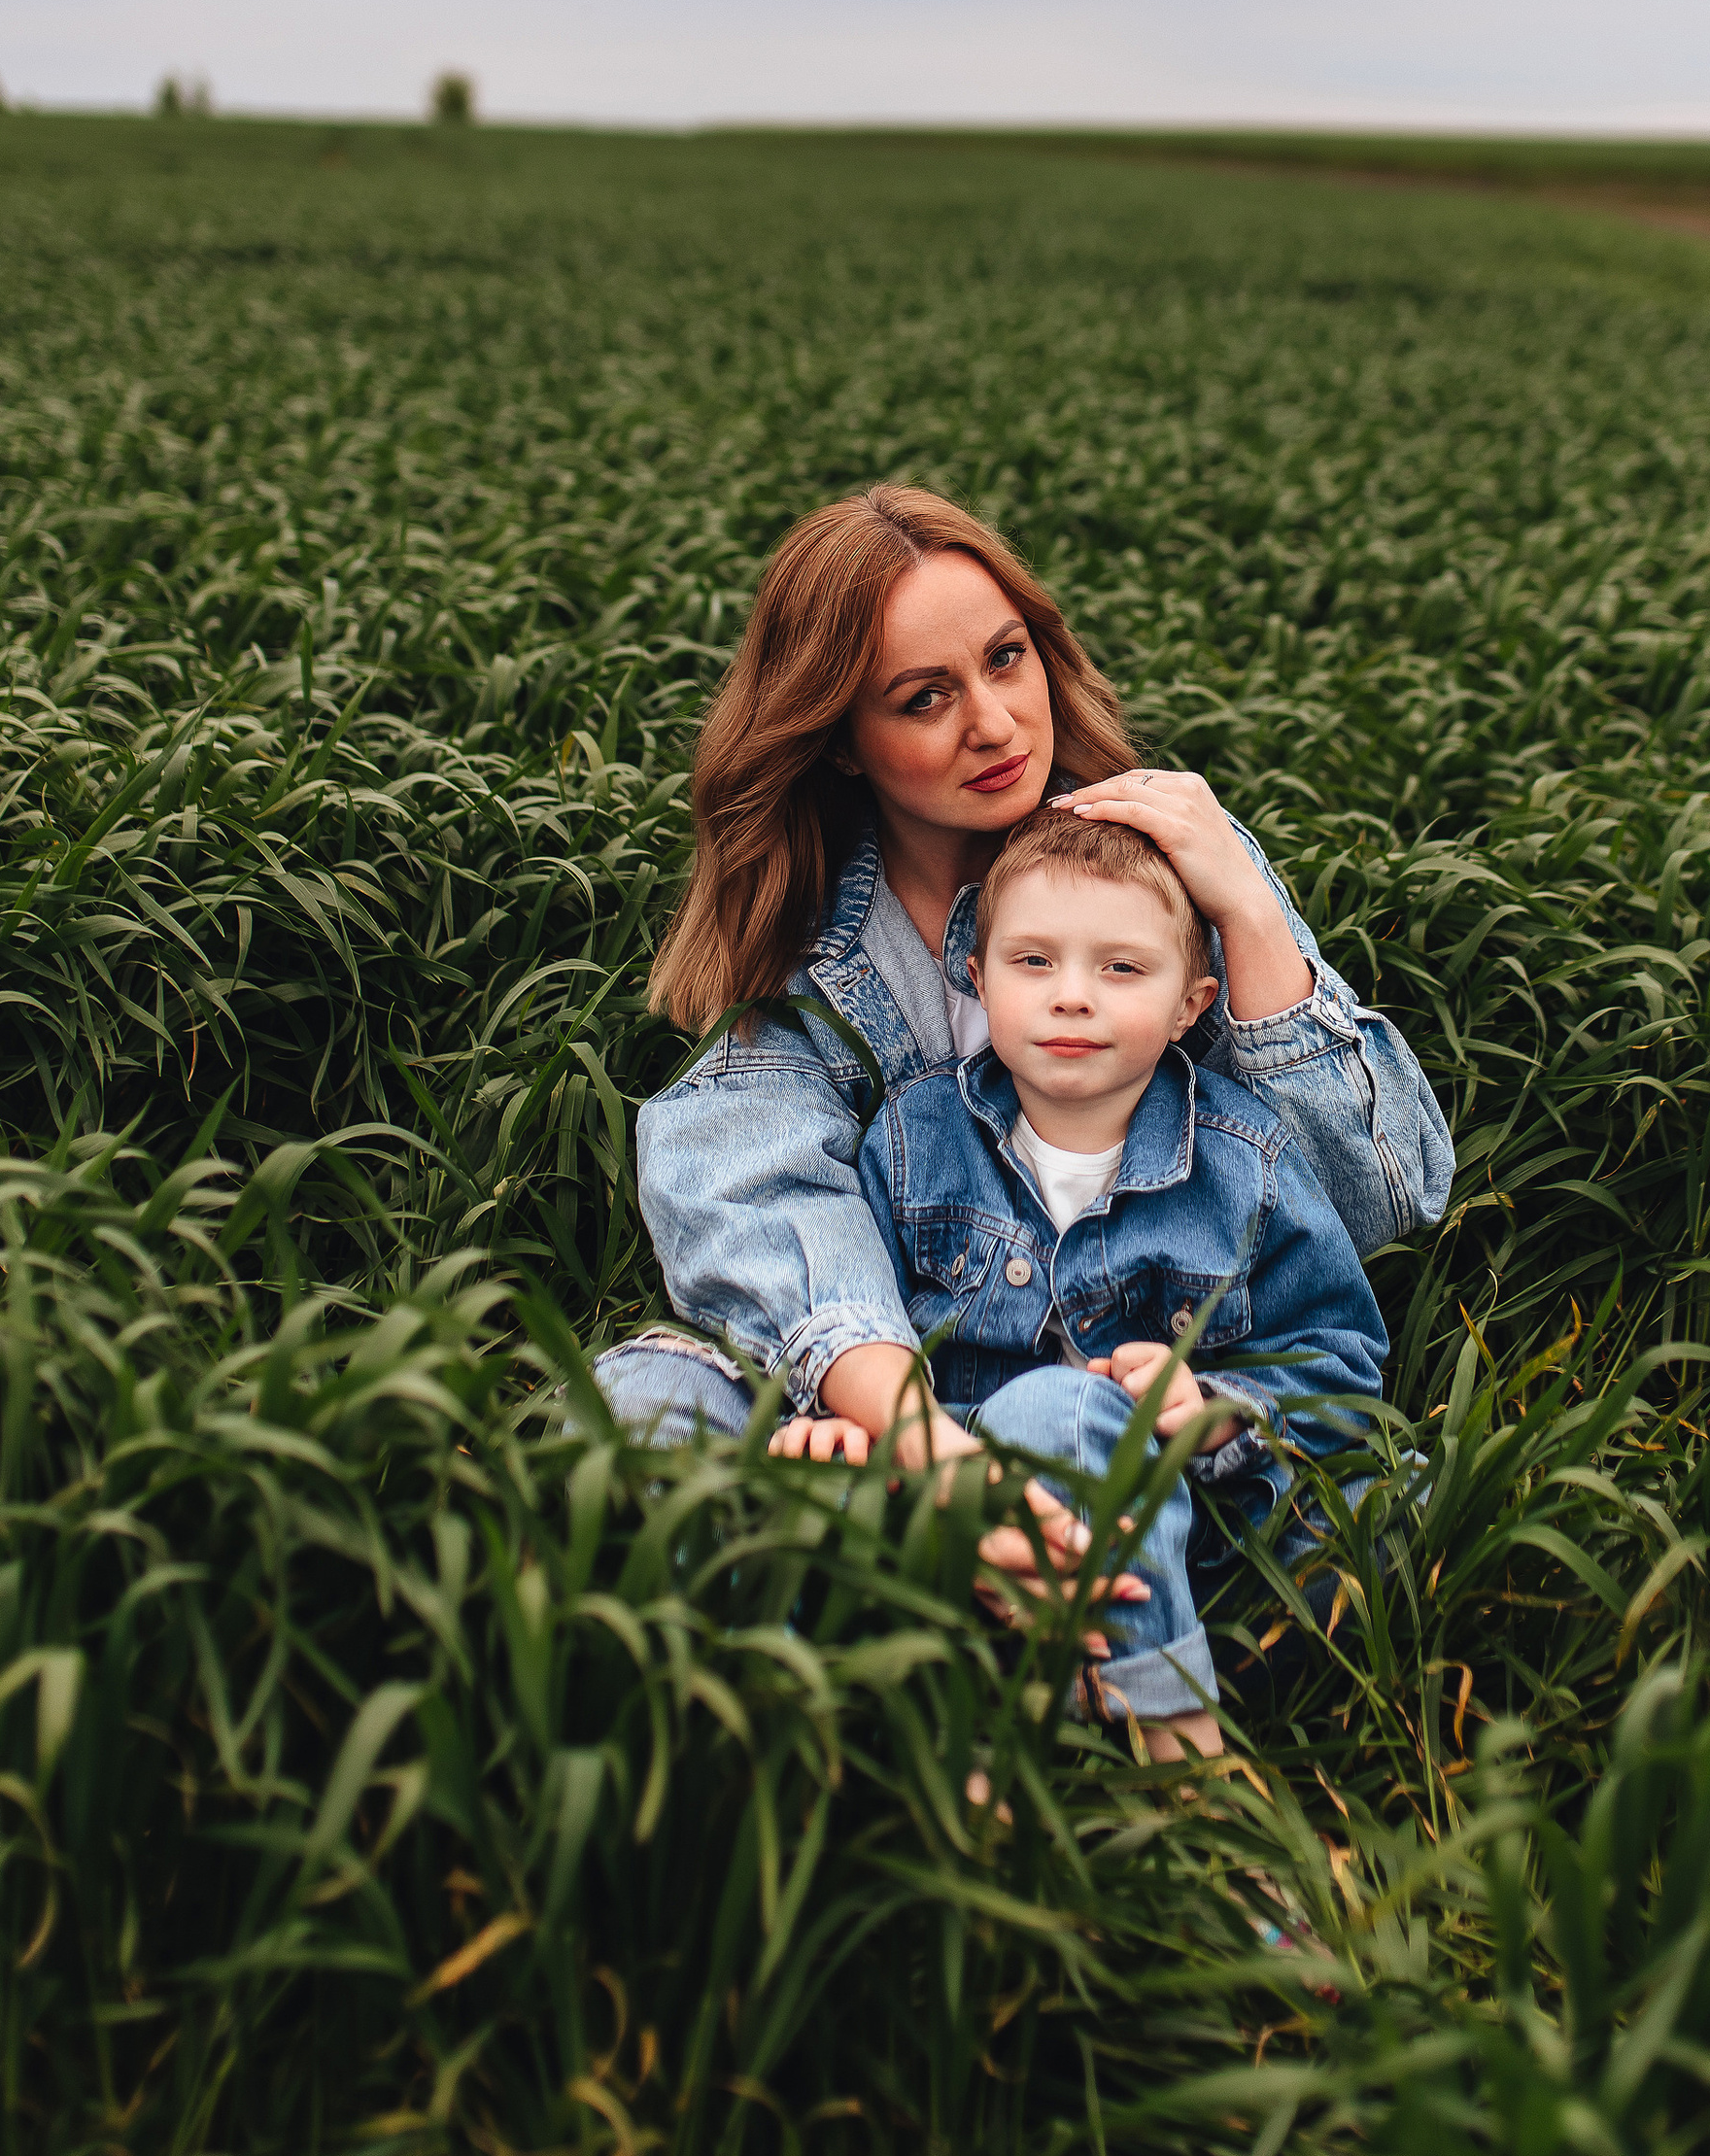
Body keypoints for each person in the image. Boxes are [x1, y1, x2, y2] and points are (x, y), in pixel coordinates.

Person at [593, 483, 1454, 1609]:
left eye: (1005, 659)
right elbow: (748, 1190)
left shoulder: (1162, 859)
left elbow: (1380, 1195)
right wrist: (927, 1457)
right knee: (631, 1407)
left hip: (1165, 1423)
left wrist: (1241, 909)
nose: (994, 724)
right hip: (918, 1422)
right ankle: (951, 1584)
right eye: (922, 698)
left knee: (1381, 1515)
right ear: (843, 743)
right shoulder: (828, 959)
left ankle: (979, 1599)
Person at [840, 804, 1388, 1758]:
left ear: (1192, 1004)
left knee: (1386, 1507)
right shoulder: (910, 1141)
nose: (1071, 997)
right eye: (1033, 962)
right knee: (1036, 1423)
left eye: (1121, 968)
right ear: (977, 979)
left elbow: (1338, 1366)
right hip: (979, 1527)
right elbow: (866, 1327)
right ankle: (1177, 1762)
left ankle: (1120, 1702)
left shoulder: (1242, 1161)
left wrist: (1214, 1406)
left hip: (1195, 1526)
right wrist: (842, 1427)